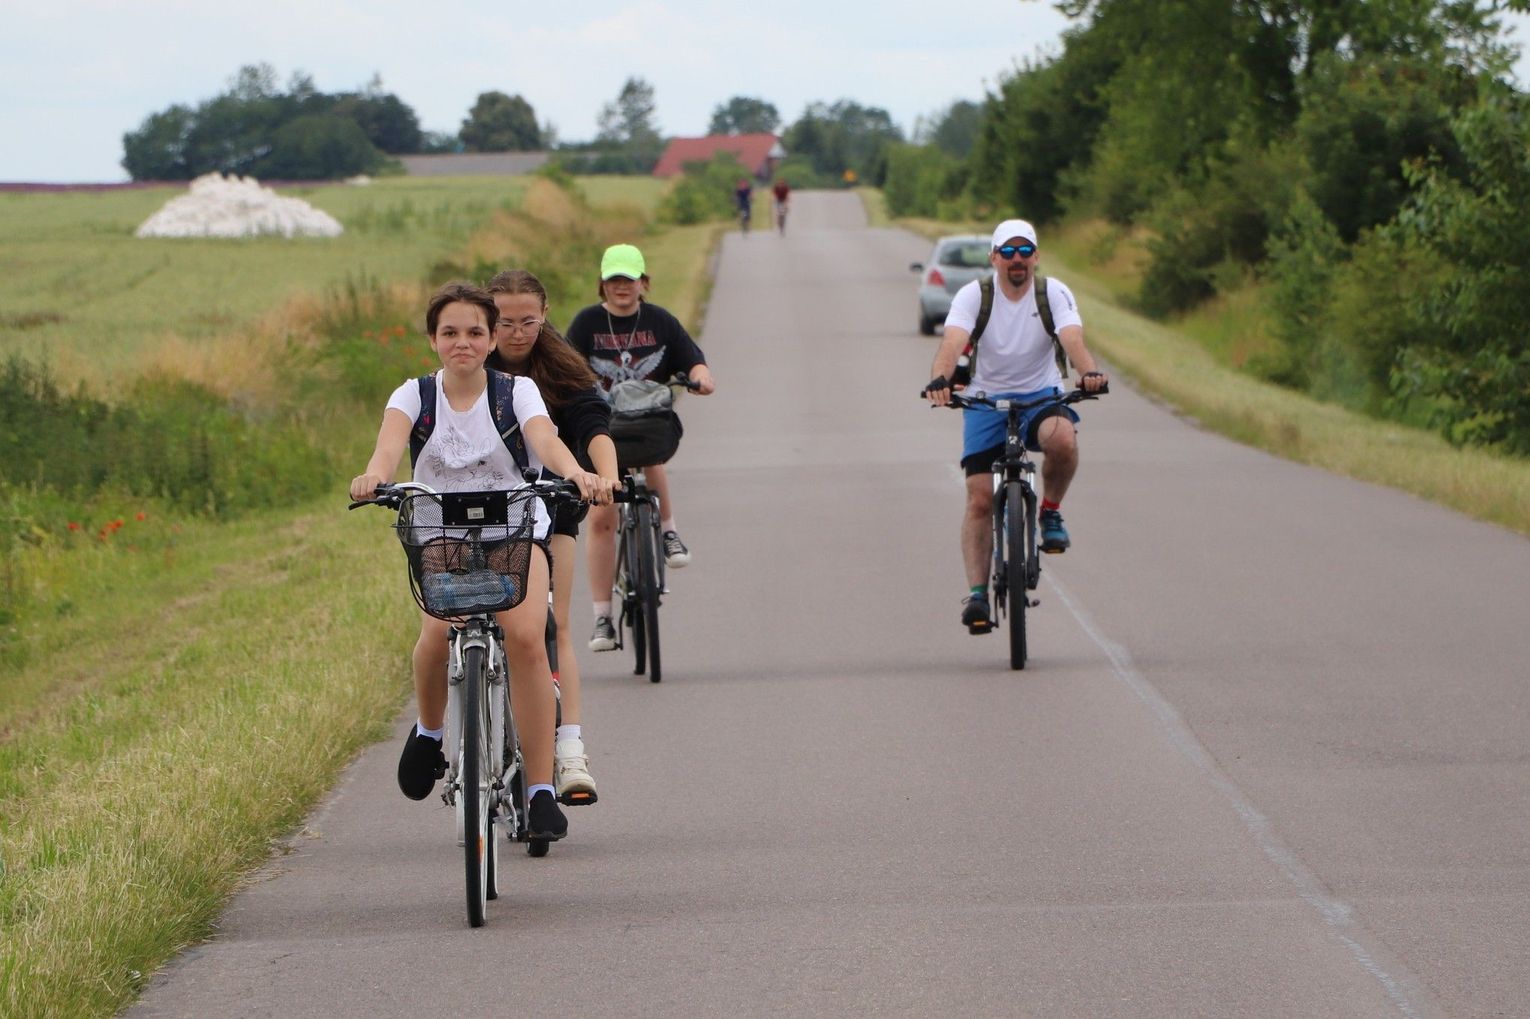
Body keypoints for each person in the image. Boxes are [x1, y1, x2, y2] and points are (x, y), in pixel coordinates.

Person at [349, 282, 613, 840]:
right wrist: (374, 476)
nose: (462, 343)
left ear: (492, 340)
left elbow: (545, 440)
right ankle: (429, 733)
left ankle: (539, 790)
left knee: (527, 637)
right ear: (433, 339)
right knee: (434, 633)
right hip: (441, 527)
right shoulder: (414, 394)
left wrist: (575, 472)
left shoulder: (516, 391)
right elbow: (388, 448)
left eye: (474, 332)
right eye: (450, 333)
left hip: (512, 525)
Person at [924, 219, 1109, 634]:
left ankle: (1050, 513)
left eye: (1025, 250)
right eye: (1008, 251)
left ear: (1036, 256)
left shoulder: (1053, 293)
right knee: (978, 500)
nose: (1017, 259)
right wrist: (940, 379)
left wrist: (1090, 373)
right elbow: (952, 342)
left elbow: (1072, 338)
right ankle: (977, 595)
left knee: (1063, 439)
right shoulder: (975, 296)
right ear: (994, 258)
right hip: (985, 401)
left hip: (1040, 397)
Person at [485, 268, 618, 805]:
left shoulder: (560, 366)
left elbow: (592, 425)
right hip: (485, 511)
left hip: (551, 502)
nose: (516, 333)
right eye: (504, 322)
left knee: (553, 621)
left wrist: (606, 477)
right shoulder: (471, 367)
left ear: (544, 316)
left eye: (528, 322)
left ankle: (570, 749)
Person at [564, 243, 716, 652]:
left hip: (648, 423)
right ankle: (602, 617)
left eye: (629, 280)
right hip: (601, 427)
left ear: (643, 283)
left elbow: (692, 357)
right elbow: (564, 366)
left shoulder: (659, 321)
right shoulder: (587, 323)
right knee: (601, 515)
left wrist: (701, 377)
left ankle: (669, 532)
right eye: (614, 280)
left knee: (653, 456)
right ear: (602, 284)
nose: (622, 287)